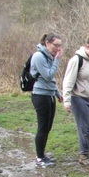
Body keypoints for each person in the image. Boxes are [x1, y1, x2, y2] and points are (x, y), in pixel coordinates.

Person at [62, 31, 89, 166]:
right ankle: (84, 155)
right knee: (84, 127)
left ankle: (88, 148)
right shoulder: (77, 60)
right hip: (79, 98)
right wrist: (67, 100)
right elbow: (68, 81)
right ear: (87, 46)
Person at [30, 33, 64, 168]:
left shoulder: (49, 57)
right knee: (43, 127)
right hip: (40, 95)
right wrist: (57, 60)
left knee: (48, 127)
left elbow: (51, 80)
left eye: (60, 46)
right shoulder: (38, 56)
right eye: (56, 45)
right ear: (47, 43)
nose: (58, 48)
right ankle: (39, 158)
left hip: (49, 95)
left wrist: (57, 93)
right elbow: (48, 76)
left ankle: (42, 155)